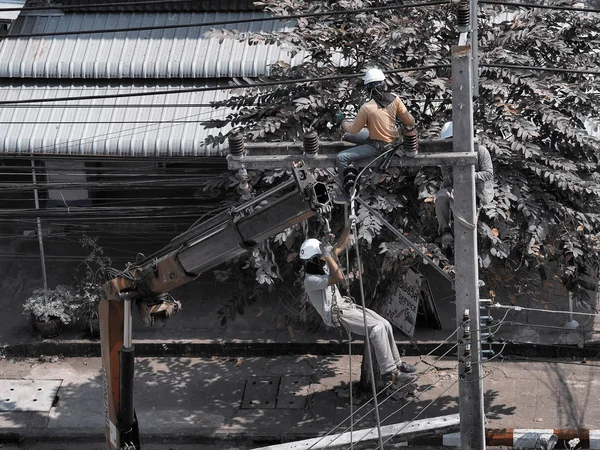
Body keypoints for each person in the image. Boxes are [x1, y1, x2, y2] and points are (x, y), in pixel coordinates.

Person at [299, 228, 417, 386]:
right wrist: (327, 255)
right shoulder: (311, 280)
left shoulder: (321, 264)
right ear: (314, 259)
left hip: (345, 306)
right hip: (337, 314)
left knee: (385, 324)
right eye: (320, 256)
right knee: (376, 329)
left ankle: (397, 363)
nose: (323, 258)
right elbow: (339, 277)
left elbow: (340, 247)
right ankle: (391, 373)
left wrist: (348, 225)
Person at [336, 68, 416, 192]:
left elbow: (353, 129)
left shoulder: (367, 108)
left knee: (341, 157)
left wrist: (342, 121)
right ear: (384, 83)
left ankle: (347, 190)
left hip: (378, 148)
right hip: (393, 143)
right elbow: (410, 122)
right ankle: (347, 142)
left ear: (368, 89)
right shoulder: (395, 99)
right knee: (349, 136)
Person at [435, 121, 494, 246]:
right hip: (455, 189)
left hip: (478, 190)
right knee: (441, 198)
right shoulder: (446, 155)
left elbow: (488, 173)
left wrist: (469, 177)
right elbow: (446, 176)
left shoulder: (481, 151)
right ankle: (445, 231)